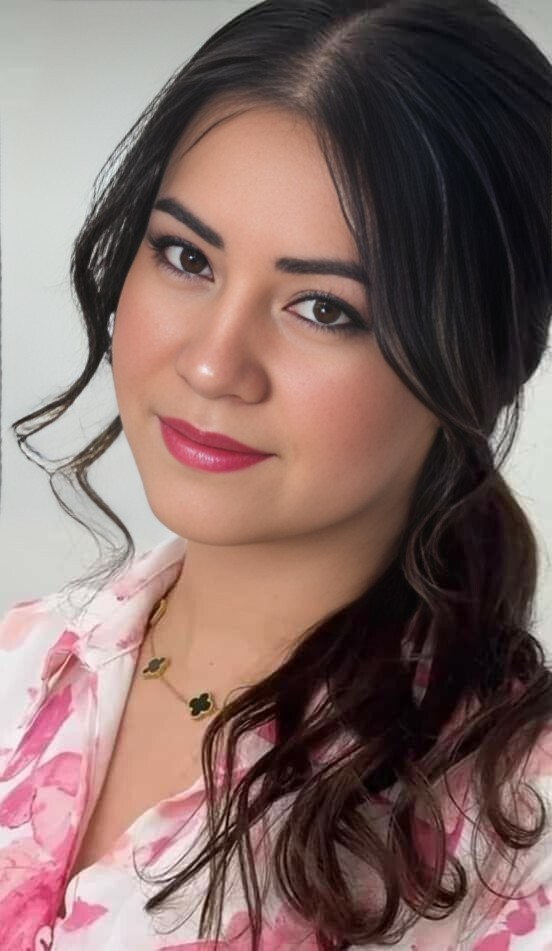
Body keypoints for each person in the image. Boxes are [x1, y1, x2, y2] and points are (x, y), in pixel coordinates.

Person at [2, 0, 552, 947]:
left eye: (324, 309)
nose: (213, 363)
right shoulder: (22, 658)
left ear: (478, 364)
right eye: (186, 256)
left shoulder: (518, 827)